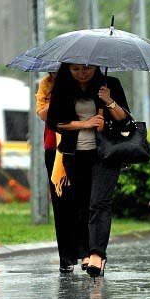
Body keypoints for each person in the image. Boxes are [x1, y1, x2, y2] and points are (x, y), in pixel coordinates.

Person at [47, 63, 130, 278]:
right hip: (75, 155)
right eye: (75, 69)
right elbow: (56, 123)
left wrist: (109, 101)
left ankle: (97, 255)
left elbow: (125, 119)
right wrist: (85, 124)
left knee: (99, 203)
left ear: (95, 67)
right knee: (81, 203)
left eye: (86, 68)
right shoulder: (63, 88)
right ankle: (84, 252)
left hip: (105, 154)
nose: (81, 73)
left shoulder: (109, 84)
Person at [36, 72, 89, 273]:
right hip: (54, 148)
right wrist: (59, 100)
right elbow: (42, 113)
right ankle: (66, 257)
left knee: (82, 200)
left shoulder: (83, 82)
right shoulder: (47, 84)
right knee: (60, 203)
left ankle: (86, 253)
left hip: (82, 146)